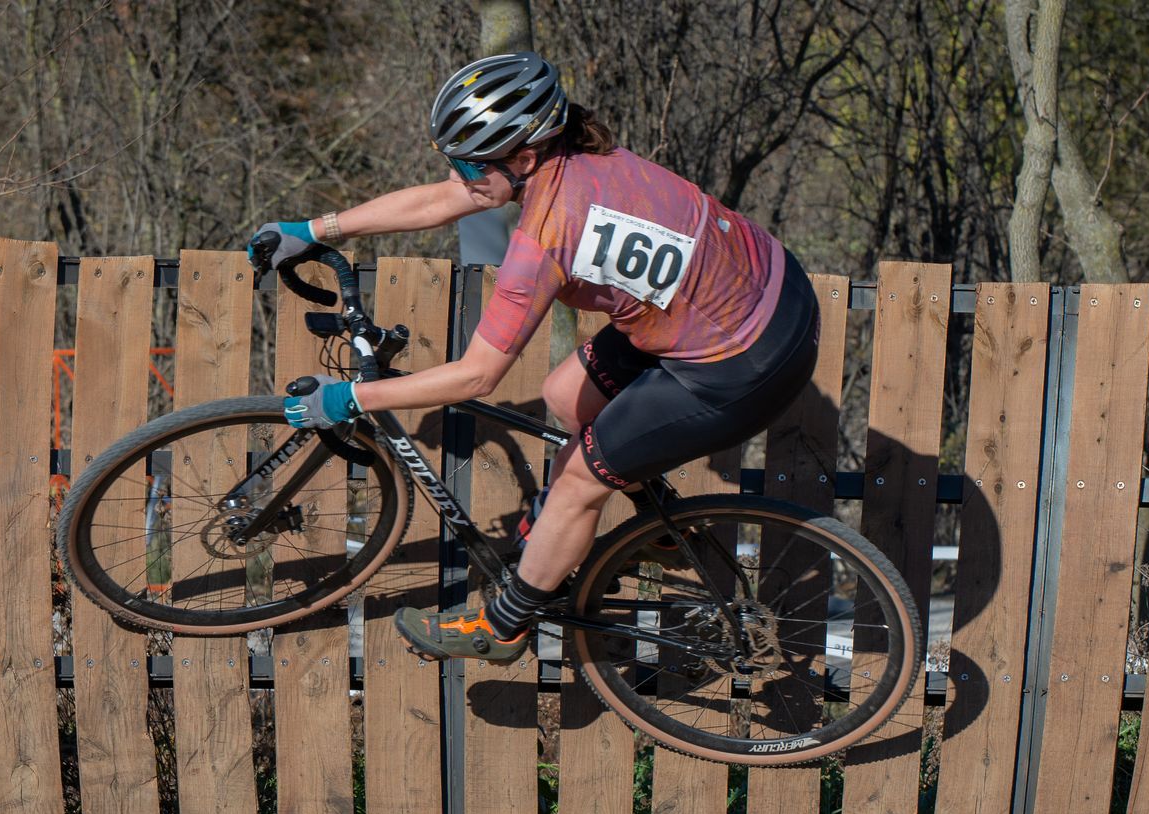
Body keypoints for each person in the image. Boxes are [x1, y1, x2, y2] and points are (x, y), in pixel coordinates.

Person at [253, 51, 820, 664]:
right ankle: (661, 527)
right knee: (565, 396)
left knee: (577, 480)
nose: (459, 176)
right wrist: (315, 230)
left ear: (523, 157)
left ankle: (503, 627)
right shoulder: (574, 155)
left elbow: (476, 376)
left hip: (741, 359)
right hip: (766, 287)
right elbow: (441, 200)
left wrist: (350, 398)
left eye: (469, 163)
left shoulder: (545, 236)